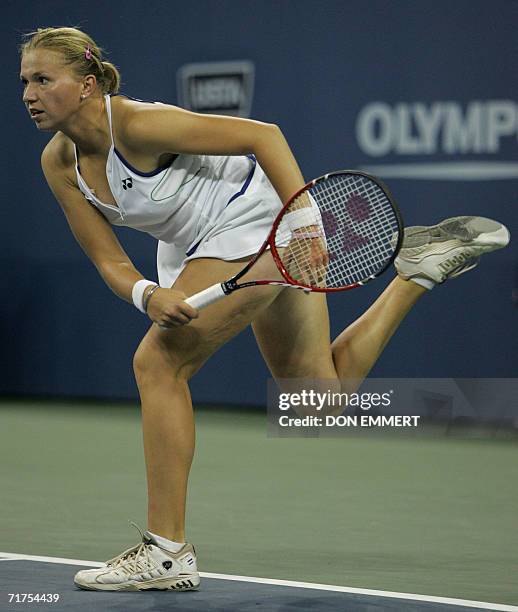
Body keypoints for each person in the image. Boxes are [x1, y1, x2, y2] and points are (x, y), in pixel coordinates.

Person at [19, 26, 509, 592]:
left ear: (84, 85)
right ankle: (416, 271)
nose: (29, 93)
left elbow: (264, 136)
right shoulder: (59, 163)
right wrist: (147, 294)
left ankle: (166, 553)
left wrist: (303, 228)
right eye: (23, 81)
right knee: (315, 405)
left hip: (257, 222)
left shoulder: (136, 124)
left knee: (157, 366)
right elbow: (109, 261)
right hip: (190, 243)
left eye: (43, 79)